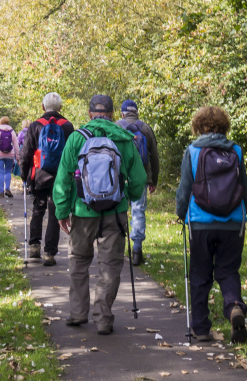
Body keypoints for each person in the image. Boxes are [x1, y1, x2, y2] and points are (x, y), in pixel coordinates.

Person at [53, 95, 146, 334]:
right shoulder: (124, 140)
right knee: (110, 265)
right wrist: (131, 198)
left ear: (89, 112)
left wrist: (62, 211)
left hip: (83, 212)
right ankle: (103, 318)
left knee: (78, 262)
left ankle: (77, 313)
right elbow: (138, 180)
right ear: (114, 114)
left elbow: (63, 179)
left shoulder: (76, 138)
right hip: (114, 213)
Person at [175, 106, 247, 343]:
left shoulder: (193, 150)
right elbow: (245, 190)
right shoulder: (236, 150)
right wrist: (242, 212)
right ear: (224, 126)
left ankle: (200, 328)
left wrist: (181, 213)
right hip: (233, 222)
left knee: (200, 273)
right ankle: (234, 307)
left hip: (201, 222)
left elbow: (185, 188)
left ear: (198, 126)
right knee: (228, 271)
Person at [19, 92, 74, 266]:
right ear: (60, 108)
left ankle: (34, 246)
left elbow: (25, 154)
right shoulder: (67, 126)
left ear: (43, 107)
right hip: (61, 175)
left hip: (39, 175)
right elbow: (72, 154)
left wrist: (25, 175)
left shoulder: (36, 125)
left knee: (38, 208)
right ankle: (49, 253)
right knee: (55, 212)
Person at [116, 99, 160, 266]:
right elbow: (154, 157)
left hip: (120, 177)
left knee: (119, 209)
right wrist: (153, 180)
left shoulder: (116, 126)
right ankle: (137, 250)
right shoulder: (145, 128)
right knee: (138, 211)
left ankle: (118, 247)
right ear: (136, 112)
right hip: (140, 177)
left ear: (122, 113)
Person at [0, 117, 19, 198]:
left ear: (0, 122)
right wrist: (18, 156)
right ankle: (8, 189)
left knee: (1, 172)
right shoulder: (12, 131)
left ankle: (1, 192)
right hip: (10, 154)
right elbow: (16, 145)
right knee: (8, 171)